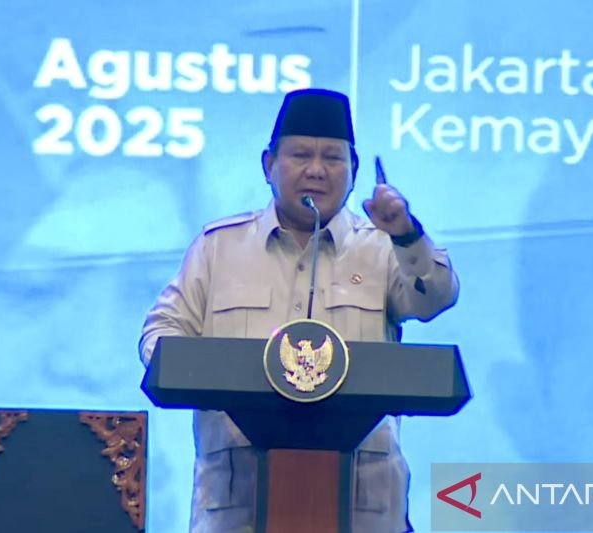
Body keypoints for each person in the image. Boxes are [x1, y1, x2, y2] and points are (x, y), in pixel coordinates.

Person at [139, 88, 460, 533]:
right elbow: (161, 332)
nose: (316, 170)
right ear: (268, 164)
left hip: (362, 506)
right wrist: (203, 375)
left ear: (354, 171)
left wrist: (405, 233)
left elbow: (434, 298)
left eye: (332, 158)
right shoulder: (219, 247)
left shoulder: (383, 247)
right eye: (301, 155)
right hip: (238, 505)